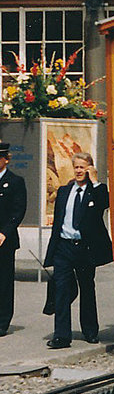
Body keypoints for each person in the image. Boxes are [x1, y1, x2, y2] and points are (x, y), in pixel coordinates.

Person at [45, 152, 112, 349]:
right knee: (61, 291)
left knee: (87, 289)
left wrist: (95, 181)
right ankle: (61, 336)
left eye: (83, 167)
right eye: (76, 167)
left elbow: (104, 204)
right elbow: (59, 220)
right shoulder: (65, 191)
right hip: (64, 247)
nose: (79, 171)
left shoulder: (96, 191)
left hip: (85, 248)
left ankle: (90, 331)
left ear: (90, 168)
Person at [0, 144, 27, 337]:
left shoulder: (15, 181)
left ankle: (2, 322)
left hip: (4, 239)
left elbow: (18, 211)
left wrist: (4, 233)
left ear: (6, 159)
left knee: (4, 282)